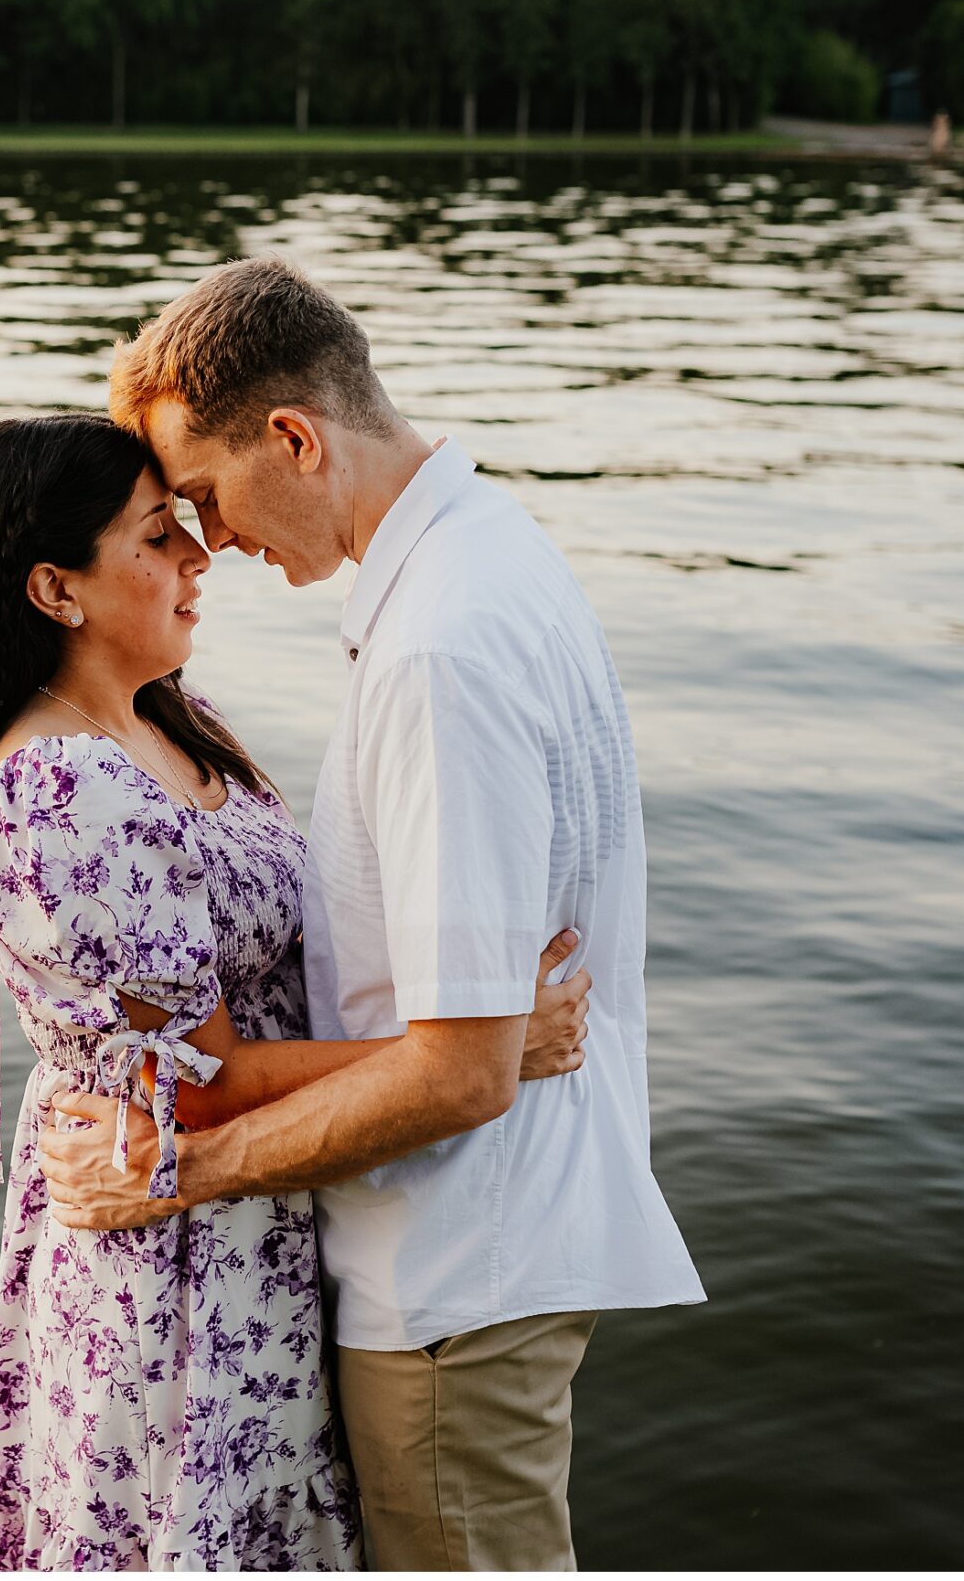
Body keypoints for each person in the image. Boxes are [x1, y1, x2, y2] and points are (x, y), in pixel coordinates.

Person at [41, 258, 707, 1570]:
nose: (210, 538)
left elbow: (463, 1071)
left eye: (212, 496)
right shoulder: (487, 554)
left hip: (457, 1271)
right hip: (495, 1250)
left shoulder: (439, 649)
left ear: (295, 437)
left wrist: (177, 1170)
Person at [0, 413, 595, 1570]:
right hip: (175, 1263)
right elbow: (205, 1083)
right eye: (154, 535)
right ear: (53, 590)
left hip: (259, 1213)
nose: (196, 555)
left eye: (184, 524)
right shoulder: (58, 794)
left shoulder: (168, 719)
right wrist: (484, 1042)